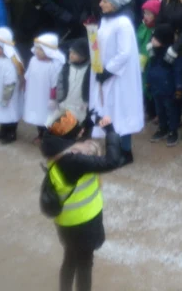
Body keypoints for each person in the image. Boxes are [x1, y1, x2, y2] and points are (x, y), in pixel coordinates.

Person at [42, 109, 123, 291]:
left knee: (70, 258)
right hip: (83, 221)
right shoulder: (75, 161)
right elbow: (112, 161)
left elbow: (76, 138)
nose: (81, 133)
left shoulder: (57, 150)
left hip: (66, 221)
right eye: (78, 131)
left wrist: (89, 122)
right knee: (85, 264)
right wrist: (111, 132)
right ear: (70, 138)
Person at [90, 0, 144, 166]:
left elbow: (124, 53)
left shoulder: (123, 23)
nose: (100, 3)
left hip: (120, 78)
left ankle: (126, 152)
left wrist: (108, 71)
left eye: (104, 1)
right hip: (104, 73)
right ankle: (113, 148)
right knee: (108, 110)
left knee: (121, 111)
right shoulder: (105, 20)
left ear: (114, 4)